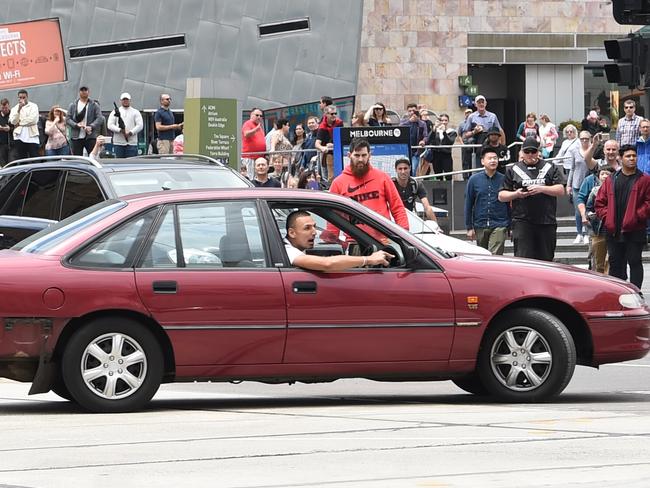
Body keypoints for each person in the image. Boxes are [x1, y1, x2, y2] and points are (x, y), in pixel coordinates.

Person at [498, 137, 565, 261]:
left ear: (538, 152)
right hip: (522, 221)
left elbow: (561, 190)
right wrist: (516, 194)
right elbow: (501, 196)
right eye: (527, 152)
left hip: (546, 221)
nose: (530, 155)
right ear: (522, 152)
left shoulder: (550, 167)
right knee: (523, 260)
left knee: (546, 260)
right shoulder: (513, 169)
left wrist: (542, 189)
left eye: (533, 151)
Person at [595, 145, 650, 289]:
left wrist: (636, 216)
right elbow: (600, 202)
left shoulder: (644, 179)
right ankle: (617, 293)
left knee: (635, 261)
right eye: (628, 156)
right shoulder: (611, 179)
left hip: (635, 229)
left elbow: (648, 203)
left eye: (634, 156)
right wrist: (608, 218)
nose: (632, 159)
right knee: (615, 263)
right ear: (620, 158)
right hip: (613, 229)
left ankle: (636, 293)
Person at [328, 137, 408, 230]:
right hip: (353, 241)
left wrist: (404, 234)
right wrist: (332, 238)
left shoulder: (382, 178)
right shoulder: (338, 183)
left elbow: (397, 208)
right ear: (349, 155)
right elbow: (333, 218)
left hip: (382, 240)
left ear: (369, 155)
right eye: (357, 155)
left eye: (364, 155)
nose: (361, 159)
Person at [284, 210, 392, 271]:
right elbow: (326, 264)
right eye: (307, 228)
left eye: (314, 227)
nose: (314, 232)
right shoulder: (288, 251)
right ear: (292, 233)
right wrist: (368, 259)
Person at [465, 147, 511, 254]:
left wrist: (510, 225)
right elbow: (468, 204)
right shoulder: (474, 180)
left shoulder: (504, 179)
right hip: (480, 224)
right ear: (482, 161)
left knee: (495, 255)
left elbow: (509, 204)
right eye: (490, 158)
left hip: (500, 223)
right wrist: (469, 227)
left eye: (495, 158)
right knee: (482, 256)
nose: (493, 161)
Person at [567, 131, 596, 244]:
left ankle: (587, 233)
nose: (584, 141)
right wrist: (568, 184)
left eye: (586, 139)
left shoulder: (593, 150)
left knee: (589, 210)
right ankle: (579, 233)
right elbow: (572, 168)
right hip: (577, 183)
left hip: (590, 184)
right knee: (578, 211)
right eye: (582, 138)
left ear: (590, 139)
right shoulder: (575, 151)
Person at [584, 167, 614, 274]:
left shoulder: (617, 189)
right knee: (597, 261)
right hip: (597, 229)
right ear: (598, 177)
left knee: (610, 260)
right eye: (602, 174)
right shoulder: (594, 191)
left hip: (613, 229)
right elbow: (589, 208)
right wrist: (593, 216)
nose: (605, 176)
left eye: (608, 174)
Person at [66, 86, 103, 156]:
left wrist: (91, 126)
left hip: (90, 136)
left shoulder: (94, 105)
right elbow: (67, 119)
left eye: (85, 90)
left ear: (88, 92)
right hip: (76, 136)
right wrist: (76, 125)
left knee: (93, 156)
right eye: (82, 90)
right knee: (77, 158)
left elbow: (100, 118)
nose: (83, 92)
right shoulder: (73, 105)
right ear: (79, 92)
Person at [107, 92, 143, 158]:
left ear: (130, 100)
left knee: (131, 164)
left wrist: (131, 132)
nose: (125, 101)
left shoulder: (135, 112)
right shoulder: (115, 112)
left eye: (127, 99)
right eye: (124, 99)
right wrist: (120, 130)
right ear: (121, 101)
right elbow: (110, 125)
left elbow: (140, 125)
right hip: (118, 143)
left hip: (132, 143)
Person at [421, 113, 456, 179]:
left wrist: (444, 132)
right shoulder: (436, 131)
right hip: (436, 154)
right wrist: (434, 130)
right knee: (438, 174)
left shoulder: (452, 132)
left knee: (448, 174)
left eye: (445, 120)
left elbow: (450, 142)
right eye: (442, 120)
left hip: (446, 155)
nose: (444, 122)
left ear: (448, 121)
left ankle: (449, 189)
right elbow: (428, 140)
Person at [9, 90, 40, 159]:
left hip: (32, 136)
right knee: (22, 158)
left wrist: (20, 123)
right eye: (20, 97)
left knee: (34, 157)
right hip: (19, 136)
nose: (22, 99)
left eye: (24, 97)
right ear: (18, 98)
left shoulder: (33, 106)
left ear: (27, 97)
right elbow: (13, 121)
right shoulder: (14, 108)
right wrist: (19, 109)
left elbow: (33, 120)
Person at [315, 105, 344, 180]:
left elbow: (343, 138)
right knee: (331, 176)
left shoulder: (339, 123)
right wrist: (323, 147)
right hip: (328, 153)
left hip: (340, 152)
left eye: (335, 113)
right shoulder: (322, 127)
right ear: (326, 114)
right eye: (332, 114)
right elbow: (317, 143)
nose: (334, 115)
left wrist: (335, 144)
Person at [399, 107, 427, 175]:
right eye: (410, 111)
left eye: (413, 111)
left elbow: (426, 135)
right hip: (405, 150)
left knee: (413, 169)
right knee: (404, 168)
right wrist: (409, 121)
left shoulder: (422, 123)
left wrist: (423, 141)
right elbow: (399, 129)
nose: (412, 113)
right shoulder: (404, 121)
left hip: (416, 151)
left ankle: (411, 183)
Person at [241, 108, 266, 178]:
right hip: (250, 157)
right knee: (251, 177)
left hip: (259, 158)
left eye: (261, 116)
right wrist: (256, 129)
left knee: (258, 178)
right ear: (251, 115)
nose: (259, 117)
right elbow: (246, 134)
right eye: (257, 115)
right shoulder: (248, 123)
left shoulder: (259, 126)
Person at [457, 107, 475, 179]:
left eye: (470, 113)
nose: (469, 114)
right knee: (464, 161)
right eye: (467, 113)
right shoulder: (462, 124)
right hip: (464, 144)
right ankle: (465, 177)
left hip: (472, 144)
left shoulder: (474, 123)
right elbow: (459, 135)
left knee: (472, 161)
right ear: (465, 114)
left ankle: (471, 176)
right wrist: (462, 144)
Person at [0, 98, 12, 165]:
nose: (4, 110)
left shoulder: (12, 115)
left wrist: (10, 129)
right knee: (2, 162)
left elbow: (17, 127)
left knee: (11, 162)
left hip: (11, 143)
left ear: (9, 106)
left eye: (6, 108)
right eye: (3, 108)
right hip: (1, 144)